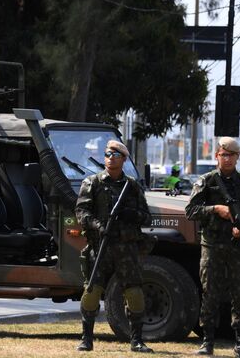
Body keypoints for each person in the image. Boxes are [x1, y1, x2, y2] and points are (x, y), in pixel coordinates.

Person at [185, 137, 240, 358]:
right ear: (217, 156)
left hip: (238, 247)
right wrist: (215, 209)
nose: (227, 159)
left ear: (237, 157)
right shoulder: (206, 181)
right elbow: (191, 211)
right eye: (224, 155)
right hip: (212, 245)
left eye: (232, 155)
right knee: (210, 293)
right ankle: (207, 341)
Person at [75, 140, 154, 353]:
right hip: (100, 245)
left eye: (116, 155)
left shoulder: (132, 186)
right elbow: (82, 212)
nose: (111, 158)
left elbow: (147, 218)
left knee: (134, 292)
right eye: (108, 154)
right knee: (91, 290)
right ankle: (86, 339)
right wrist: (98, 225)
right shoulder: (92, 183)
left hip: (127, 248)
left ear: (124, 160)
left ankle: (136, 340)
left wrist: (130, 214)